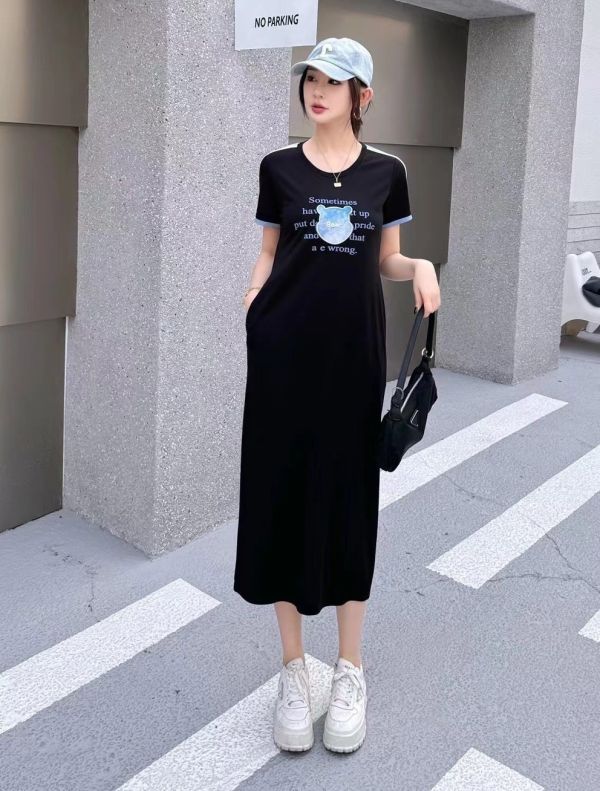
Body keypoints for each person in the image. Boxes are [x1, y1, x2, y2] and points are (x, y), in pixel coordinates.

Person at [234, 37, 441, 754]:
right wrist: (253, 299)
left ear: (362, 96)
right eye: (311, 79)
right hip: (282, 359)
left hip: (353, 364)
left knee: (351, 502)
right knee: (282, 495)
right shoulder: (278, 168)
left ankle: (350, 668)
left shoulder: (389, 172)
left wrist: (420, 265)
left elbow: (386, 257)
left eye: (334, 81)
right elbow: (269, 252)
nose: (317, 91)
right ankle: (294, 671)